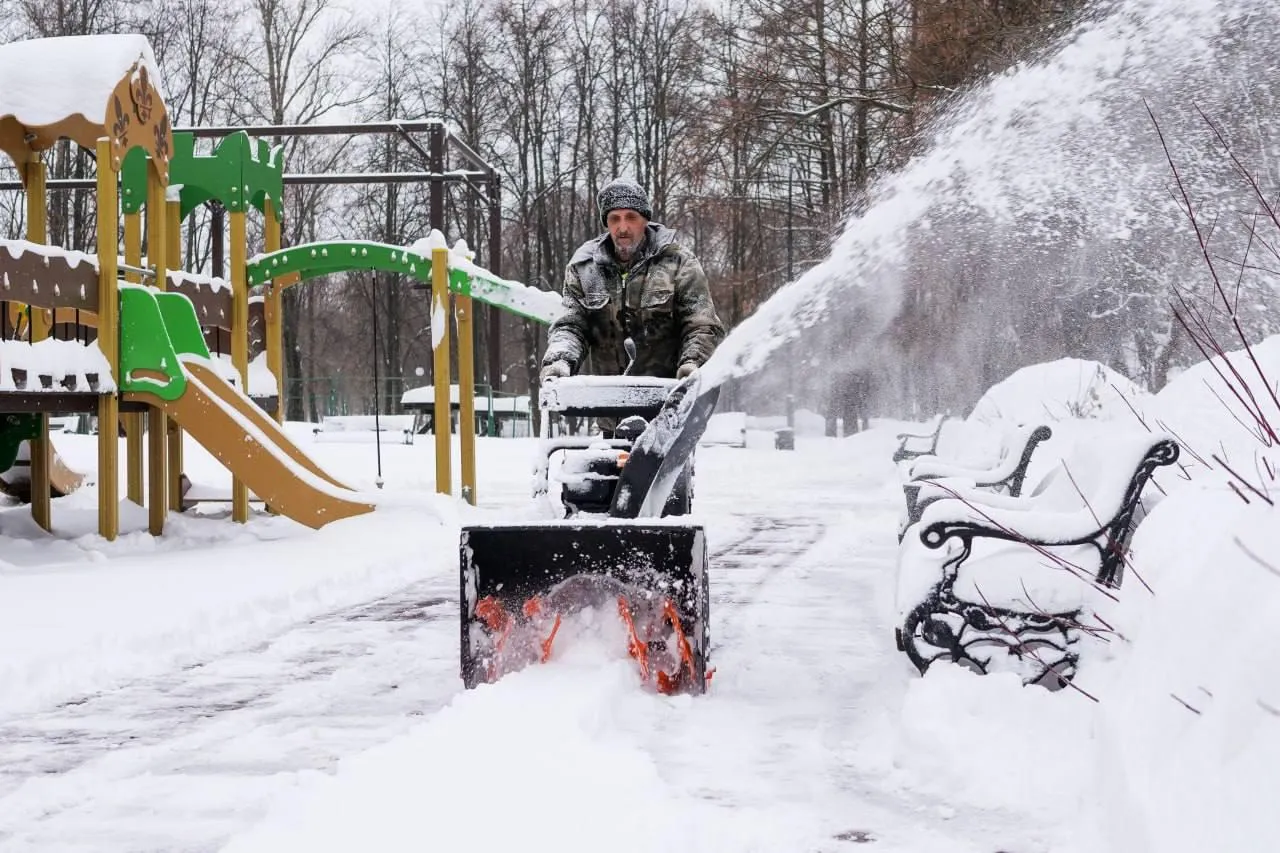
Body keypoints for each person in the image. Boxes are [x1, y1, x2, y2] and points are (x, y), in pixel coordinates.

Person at [540, 179, 725, 385]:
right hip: (606, 403)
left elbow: (701, 324)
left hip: (669, 398)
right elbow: (571, 325)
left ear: (644, 219)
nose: (623, 227)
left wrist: (692, 364)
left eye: (631, 217)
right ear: (606, 223)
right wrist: (560, 361)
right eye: (614, 219)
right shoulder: (584, 268)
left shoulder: (678, 262)